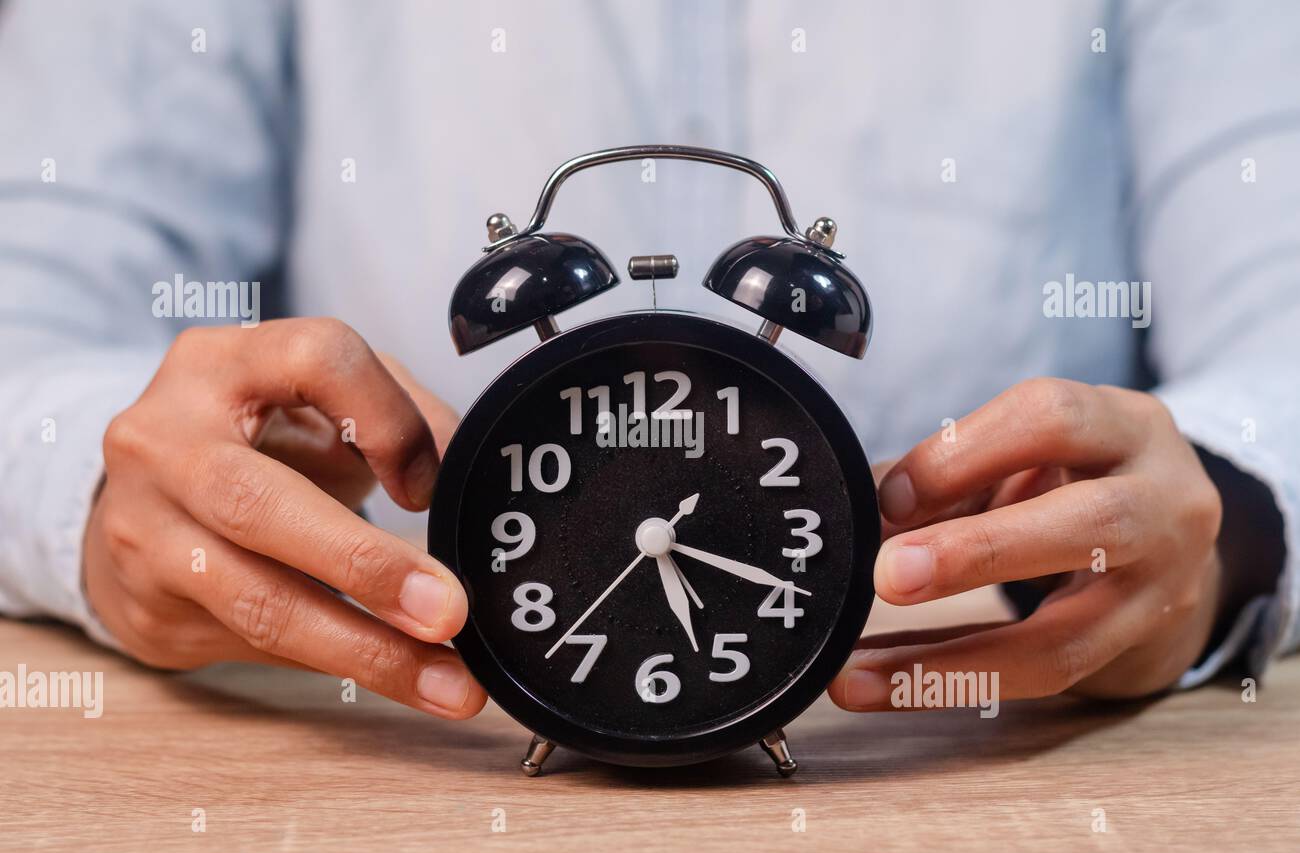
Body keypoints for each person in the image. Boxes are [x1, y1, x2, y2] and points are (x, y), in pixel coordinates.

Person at [0, 0, 1294, 722]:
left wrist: (1219, 516)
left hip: (953, 741)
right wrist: (122, 499)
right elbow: (31, 304)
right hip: (417, 724)